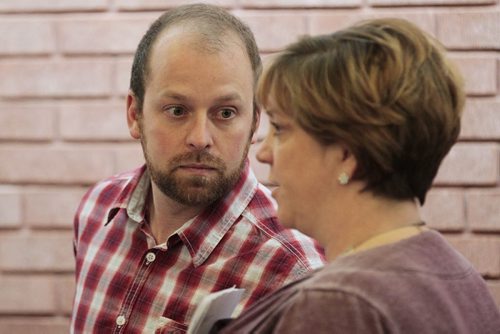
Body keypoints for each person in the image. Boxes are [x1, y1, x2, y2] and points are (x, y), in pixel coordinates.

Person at [213, 18, 500, 333]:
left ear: (347, 154)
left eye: (280, 129)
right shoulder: (456, 273)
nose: (264, 152)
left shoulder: (340, 303)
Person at [70, 4, 325, 333]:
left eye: (226, 113)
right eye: (177, 110)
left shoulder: (293, 272)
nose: (200, 138)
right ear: (135, 115)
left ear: (254, 123)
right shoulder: (96, 210)